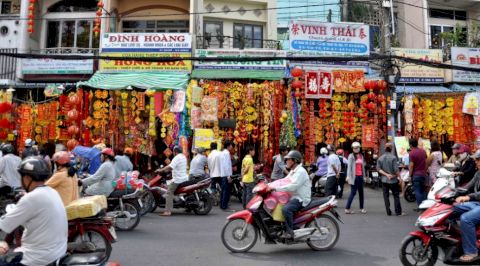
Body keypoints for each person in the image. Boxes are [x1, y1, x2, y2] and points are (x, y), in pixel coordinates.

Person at [0, 157, 67, 265]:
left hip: (37, 258)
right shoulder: (52, 192)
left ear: (27, 178)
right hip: (57, 252)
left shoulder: (31, 198)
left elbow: (4, 224)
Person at [271, 150, 311, 239]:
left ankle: (290, 231)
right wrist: (269, 185)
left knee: (286, 209)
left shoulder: (300, 172)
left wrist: (275, 188)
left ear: (295, 161)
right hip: (293, 196)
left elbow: (292, 186)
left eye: (288, 160)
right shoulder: (293, 171)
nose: (286, 161)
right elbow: (283, 180)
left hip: (300, 198)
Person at [452, 150, 480, 263]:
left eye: (478, 159)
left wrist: (468, 197)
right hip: (477, 202)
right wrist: (454, 191)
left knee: (466, 219)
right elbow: (469, 185)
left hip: (477, 201)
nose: (475, 161)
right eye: (476, 159)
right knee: (451, 208)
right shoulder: (478, 172)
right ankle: (458, 239)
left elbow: (474, 194)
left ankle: (471, 252)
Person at [156, 146, 188, 216]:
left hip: (178, 179)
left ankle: (168, 211)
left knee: (169, 193)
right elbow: (172, 167)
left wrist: (161, 170)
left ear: (175, 152)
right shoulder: (183, 157)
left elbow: (170, 166)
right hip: (184, 178)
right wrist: (166, 170)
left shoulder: (177, 157)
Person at [377, 143, 403, 216]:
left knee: (386, 196)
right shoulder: (393, 158)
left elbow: (378, 169)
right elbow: (396, 170)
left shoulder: (380, 158)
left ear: (385, 148)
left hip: (384, 180)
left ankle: (388, 211)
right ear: (391, 149)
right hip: (393, 179)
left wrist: (386, 174)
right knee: (396, 195)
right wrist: (400, 178)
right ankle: (398, 212)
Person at [345, 142, 367, 214]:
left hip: (360, 176)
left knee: (361, 193)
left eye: (357, 148)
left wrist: (364, 176)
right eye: (354, 148)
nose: (356, 149)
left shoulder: (361, 156)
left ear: (359, 148)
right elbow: (349, 167)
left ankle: (362, 208)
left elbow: (362, 167)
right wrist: (348, 176)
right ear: (352, 149)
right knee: (353, 192)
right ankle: (347, 208)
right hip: (354, 177)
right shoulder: (351, 156)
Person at [408, 138, 428, 208]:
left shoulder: (411, 153)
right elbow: (426, 162)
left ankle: (421, 206)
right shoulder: (423, 151)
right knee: (423, 190)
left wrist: (410, 175)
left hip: (416, 174)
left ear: (410, 145)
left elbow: (411, 165)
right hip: (423, 174)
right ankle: (425, 206)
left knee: (417, 191)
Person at [219, 141, 234, 211]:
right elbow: (226, 165)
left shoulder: (222, 153)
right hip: (226, 174)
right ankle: (224, 206)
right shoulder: (226, 153)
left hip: (223, 174)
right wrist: (228, 176)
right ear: (228, 146)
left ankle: (222, 205)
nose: (232, 147)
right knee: (226, 191)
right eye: (231, 145)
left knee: (223, 190)